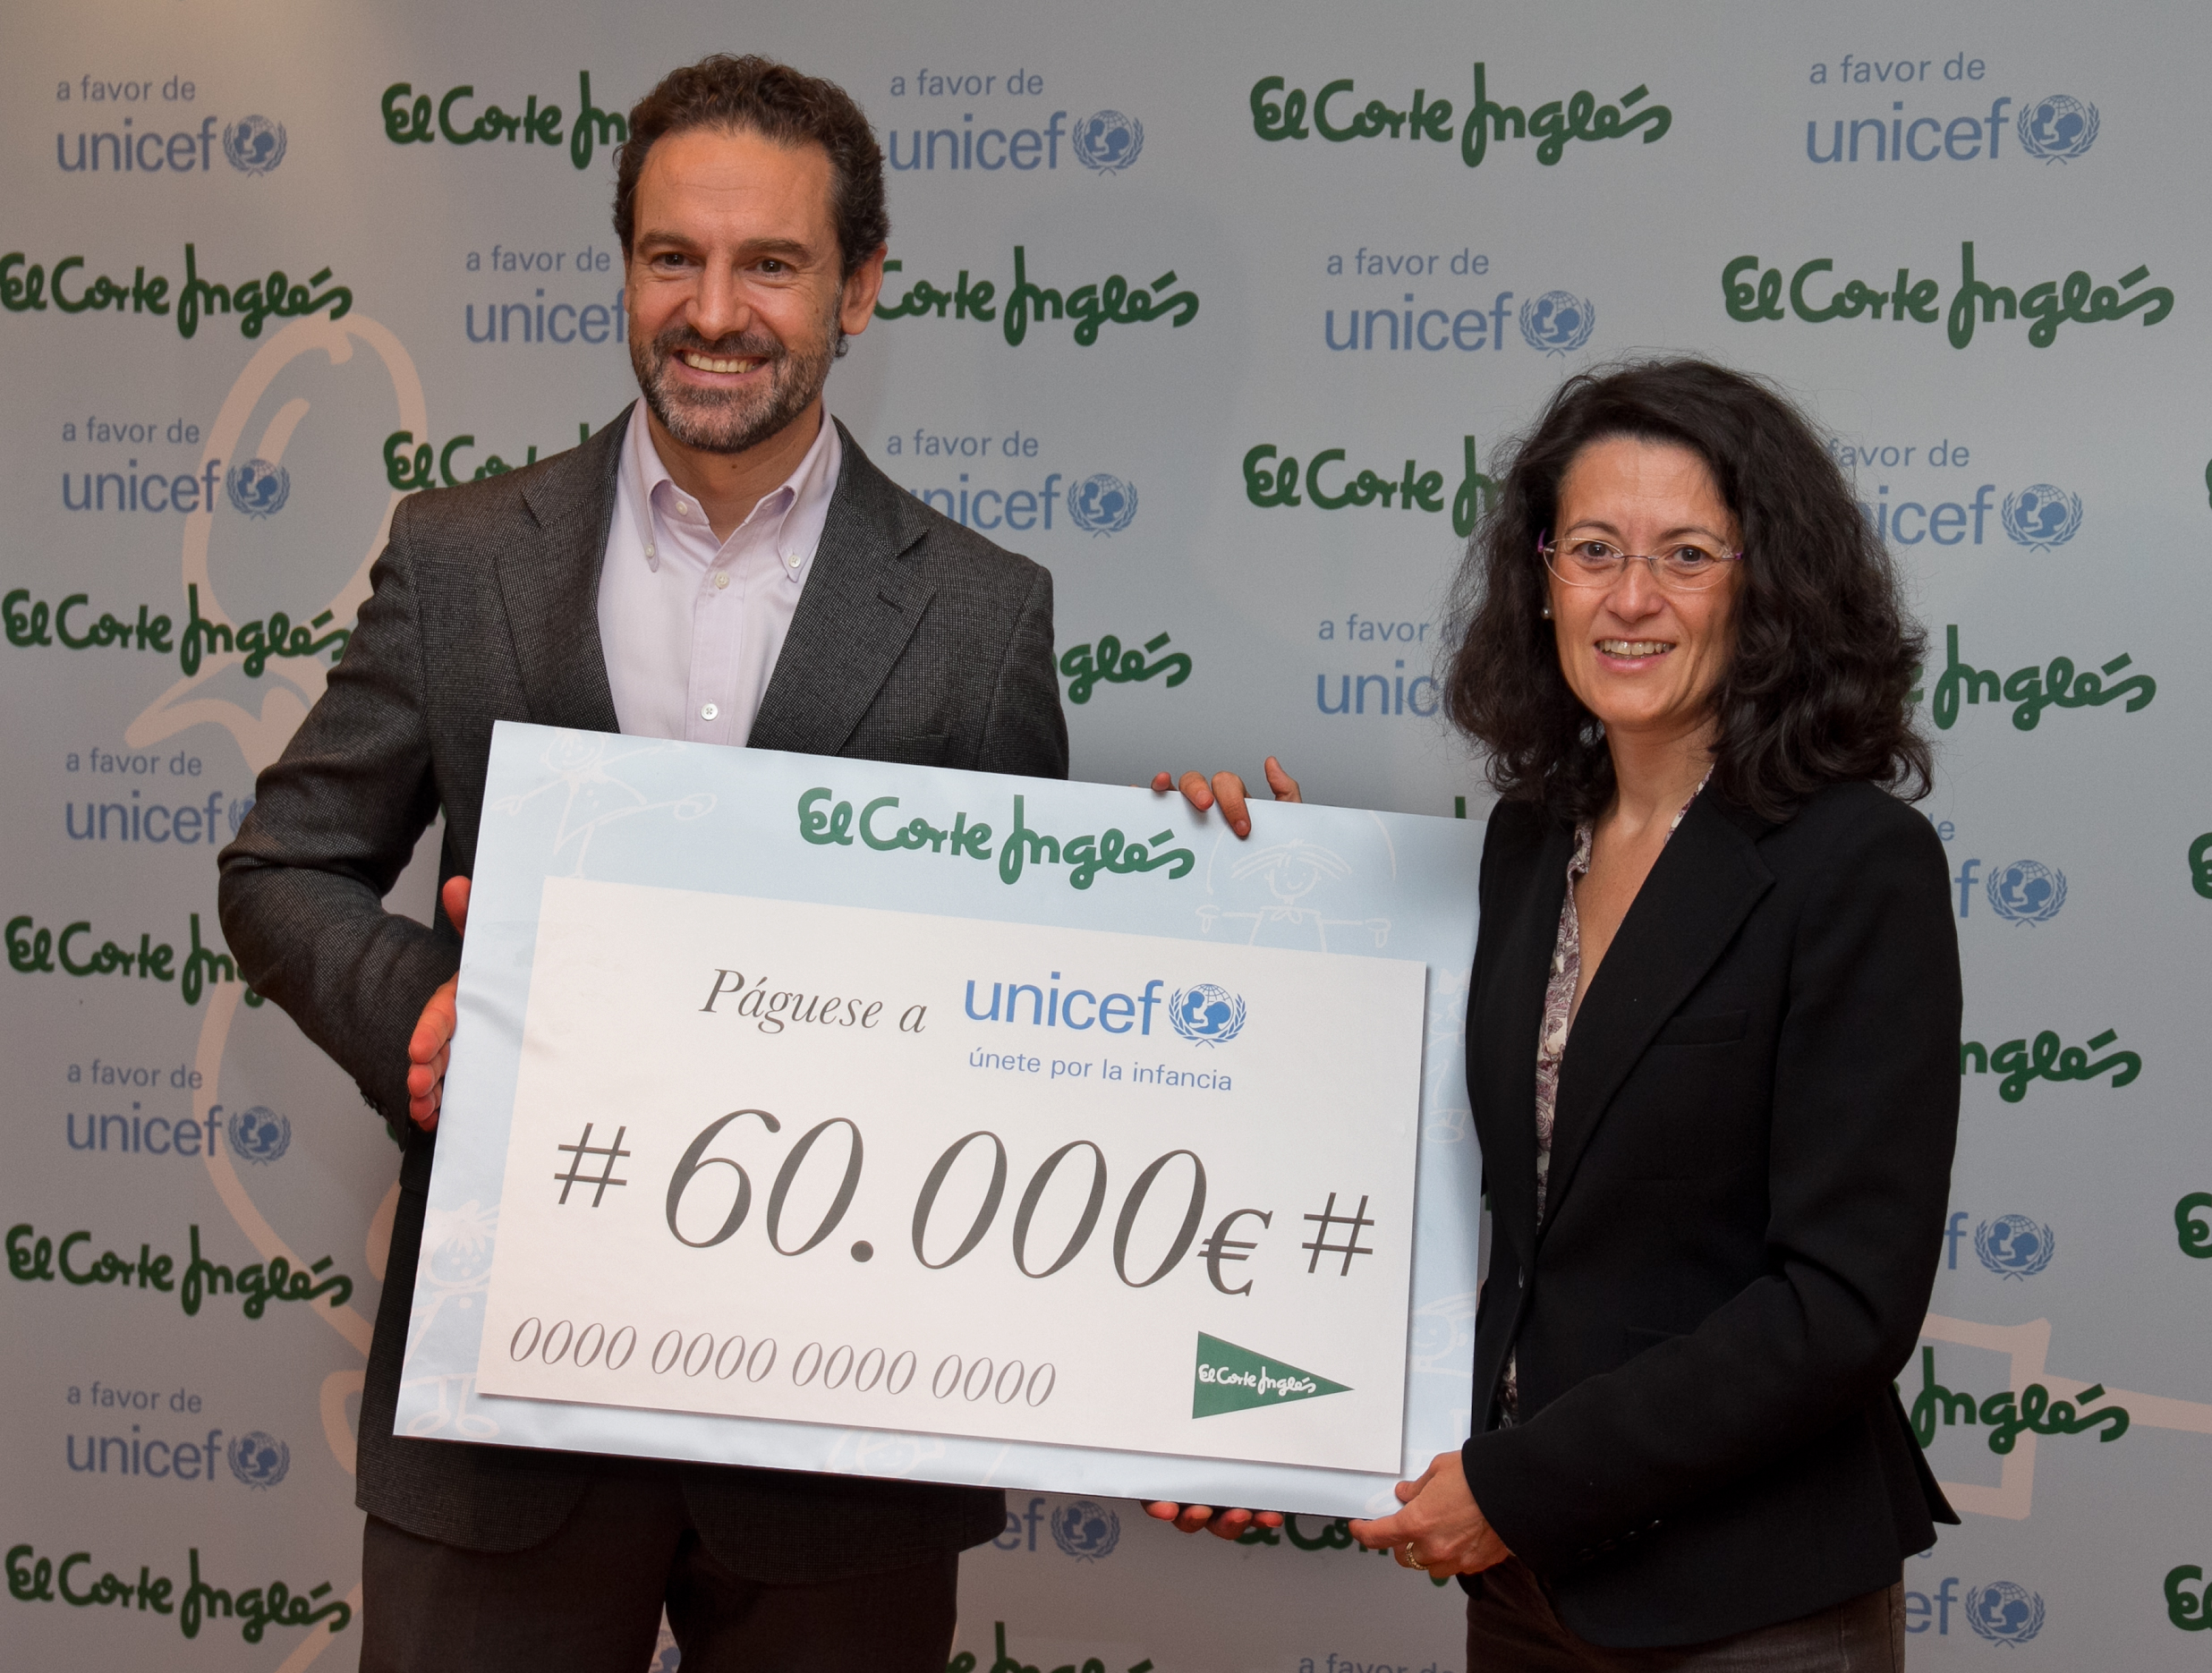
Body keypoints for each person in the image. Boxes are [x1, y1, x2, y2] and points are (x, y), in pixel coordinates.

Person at [217, 54, 1066, 1673]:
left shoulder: (981, 614)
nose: (714, 312)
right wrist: (425, 1010)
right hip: (503, 1411)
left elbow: (1018, 1002)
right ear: (625, 269)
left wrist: (1188, 879)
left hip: (841, 1436)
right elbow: (283, 869)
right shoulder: (460, 557)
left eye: (772, 264)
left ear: (859, 289)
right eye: (674, 256)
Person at [1149, 359, 1961, 1669]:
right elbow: (1428, 1168)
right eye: (1593, 549)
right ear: (1541, 580)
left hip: (1750, 1605)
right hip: (1530, 1596)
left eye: (1686, 553)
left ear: (1768, 585)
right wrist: (1253, 890)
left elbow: (1840, 1305)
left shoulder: (1855, 864)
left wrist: (1519, 1486)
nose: (1631, 597)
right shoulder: (1531, 844)